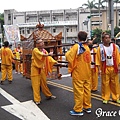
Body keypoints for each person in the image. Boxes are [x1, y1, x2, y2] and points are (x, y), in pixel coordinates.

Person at [65, 31, 92, 116]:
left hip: (79, 73)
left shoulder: (77, 46)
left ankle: (78, 110)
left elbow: (69, 57)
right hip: (87, 72)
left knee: (79, 92)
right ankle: (87, 107)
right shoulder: (87, 47)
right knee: (87, 91)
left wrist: (68, 52)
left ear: (78, 37)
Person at [31, 39, 57, 105]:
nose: (42, 44)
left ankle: (48, 95)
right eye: (40, 43)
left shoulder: (44, 51)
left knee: (44, 83)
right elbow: (41, 55)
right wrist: (48, 55)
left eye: (42, 42)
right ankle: (37, 100)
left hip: (41, 69)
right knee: (36, 85)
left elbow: (48, 59)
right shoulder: (35, 50)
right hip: (35, 69)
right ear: (37, 44)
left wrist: (55, 62)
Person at [96, 33, 120, 104]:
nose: (107, 39)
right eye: (106, 38)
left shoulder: (115, 47)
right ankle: (105, 97)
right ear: (103, 39)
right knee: (105, 83)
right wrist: (99, 69)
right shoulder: (100, 48)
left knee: (115, 83)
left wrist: (118, 66)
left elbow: (118, 57)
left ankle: (116, 97)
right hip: (105, 68)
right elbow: (98, 59)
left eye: (108, 38)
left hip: (113, 67)